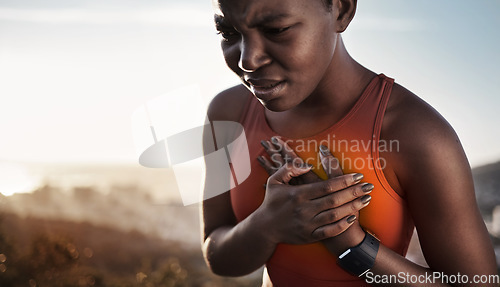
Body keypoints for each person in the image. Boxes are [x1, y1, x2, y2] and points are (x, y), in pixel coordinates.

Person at [201, 0, 498, 286]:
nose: (247, 60)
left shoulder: (416, 134)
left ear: (341, 10)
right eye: (229, 33)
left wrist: (354, 248)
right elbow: (217, 256)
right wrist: (266, 226)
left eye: (276, 30)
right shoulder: (227, 114)